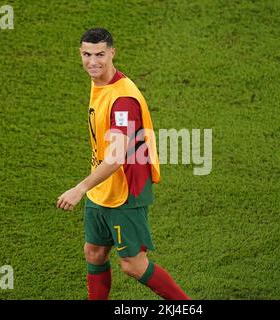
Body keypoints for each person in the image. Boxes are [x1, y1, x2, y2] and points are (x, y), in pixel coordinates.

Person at [57, 27, 190, 300]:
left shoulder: (123, 100)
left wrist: (79, 188)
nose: (93, 62)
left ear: (112, 53)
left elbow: (117, 157)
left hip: (126, 190)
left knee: (133, 265)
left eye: (100, 55)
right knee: (93, 251)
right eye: (87, 54)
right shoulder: (100, 82)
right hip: (103, 185)